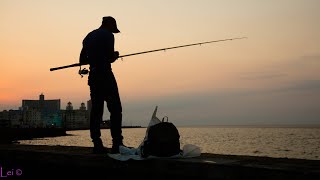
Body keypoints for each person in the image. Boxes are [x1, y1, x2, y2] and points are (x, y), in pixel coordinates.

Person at [79, 16, 124, 154]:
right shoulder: (108, 35)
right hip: (105, 75)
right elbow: (110, 57)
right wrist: (115, 55)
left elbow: (82, 59)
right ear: (109, 25)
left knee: (96, 111)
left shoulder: (88, 36)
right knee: (115, 109)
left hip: (93, 77)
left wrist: (95, 58)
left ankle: (97, 143)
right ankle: (117, 144)